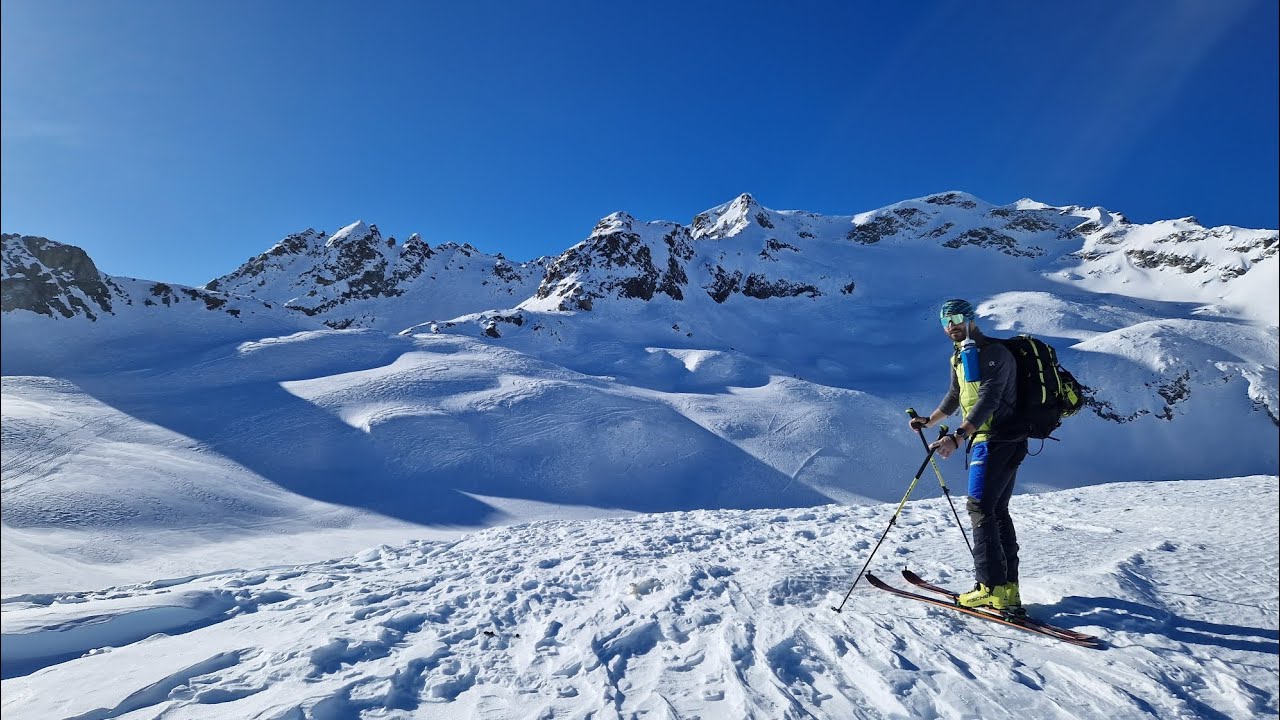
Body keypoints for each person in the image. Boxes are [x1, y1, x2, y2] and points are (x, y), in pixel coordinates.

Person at [909, 299, 1028, 612]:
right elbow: (955, 396)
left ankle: (991, 587)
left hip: (997, 440)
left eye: (958, 318)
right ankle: (1007, 589)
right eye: (945, 321)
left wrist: (958, 436)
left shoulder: (994, 353)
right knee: (996, 510)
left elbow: (989, 399)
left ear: (972, 318)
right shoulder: (961, 356)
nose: (952, 326)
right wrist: (930, 420)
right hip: (993, 440)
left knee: (980, 508)